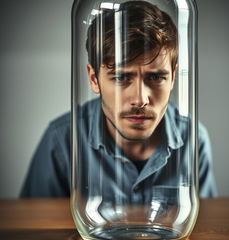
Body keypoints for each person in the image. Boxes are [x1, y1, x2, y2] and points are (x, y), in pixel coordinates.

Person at [20, 1, 217, 199]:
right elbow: (36, 225)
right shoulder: (61, 140)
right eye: (121, 78)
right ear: (93, 79)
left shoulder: (194, 139)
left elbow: (205, 223)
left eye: (156, 77)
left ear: (173, 78)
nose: (140, 100)